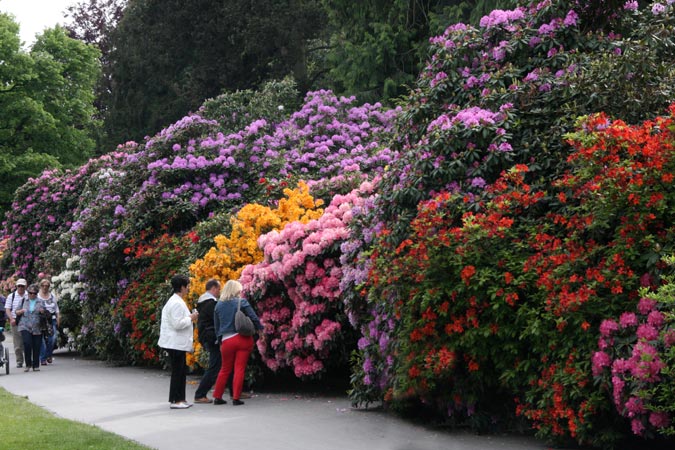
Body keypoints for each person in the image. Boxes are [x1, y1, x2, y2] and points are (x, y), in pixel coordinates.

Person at [212, 280, 263, 406]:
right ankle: (236, 398)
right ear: (236, 290)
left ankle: (217, 397)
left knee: (224, 369)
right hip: (242, 339)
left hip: (226, 341)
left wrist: (220, 342)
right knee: (239, 369)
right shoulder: (242, 302)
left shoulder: (218, 305)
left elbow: (217, 326)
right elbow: (254, 317)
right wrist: (260, 331)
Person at [158, 274, 198, 409]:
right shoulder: (175, 303)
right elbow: (177, 324)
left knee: (180, 372)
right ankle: (176, 400)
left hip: (177, 343)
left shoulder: (176, 301)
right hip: (175, 343)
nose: (188, 289)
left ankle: (180, 399)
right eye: (187, 286)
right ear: (181, 287)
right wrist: (191, 318)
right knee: (178, 372)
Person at [193, 279, 221, 403]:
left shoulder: (202, 302)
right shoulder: (210, 303)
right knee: (215, 366)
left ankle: (233, 390)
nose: (219, 292)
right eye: (219, 289)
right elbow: (216, 320)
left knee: (221, 364)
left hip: (206, 336)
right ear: (214, 288)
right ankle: (200, 394)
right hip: (212, 337)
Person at [16, 284, 46, 372]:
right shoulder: (23, 301)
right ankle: (28, 364)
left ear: (37, 294)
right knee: (27, 344)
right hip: (25, 325)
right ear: (28, 293)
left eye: (34, 293)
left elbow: (45, 313)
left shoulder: (40, 302)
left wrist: (42, 311)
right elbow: (16, 311)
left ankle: (36, 365)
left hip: (37, 327)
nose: (32, 295)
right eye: (30, 293)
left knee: (37, 346)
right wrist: (21, 311)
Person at [4, 278, 28, 368]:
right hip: (15, 320)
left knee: (27, 341)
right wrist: (11, 319)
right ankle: (19, 361)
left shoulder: (29, 295)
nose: (21, 288)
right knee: (17, 343)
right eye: (19, 286)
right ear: (17, 286)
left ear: (25, 286)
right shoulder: (12, 296)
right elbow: (7, 309)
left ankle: (29, 360)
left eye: (22, 286)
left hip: (27, 321)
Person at [38, 279, 59, 365]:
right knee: (41, 340)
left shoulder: (52, 296)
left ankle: (48, 355)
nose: (45, 287)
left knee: (53, 338)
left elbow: (56, 308)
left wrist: (58, 318)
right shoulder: (37, 296)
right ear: (41, 286)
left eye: (47, 286)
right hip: (40, 319)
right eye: (43, 285)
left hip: (51, 319)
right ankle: (43, 358)